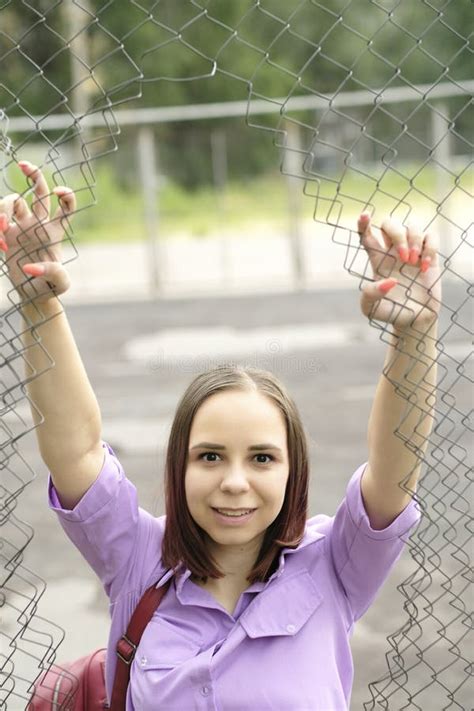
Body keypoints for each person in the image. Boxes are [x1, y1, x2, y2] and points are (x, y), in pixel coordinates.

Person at [0, 161, 441, 710]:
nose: (234, 482)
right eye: (209, 456)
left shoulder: (334, 564)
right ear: (179, 467)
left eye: (262, 458)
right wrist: (38, 301)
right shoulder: (138, 560)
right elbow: (77, 449)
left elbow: (393, 463)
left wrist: (414, 334)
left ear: (292, 470)